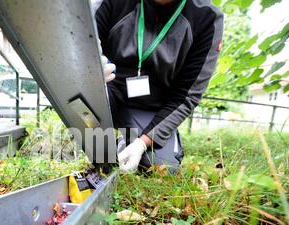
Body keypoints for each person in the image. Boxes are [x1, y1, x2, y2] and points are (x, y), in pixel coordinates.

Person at [93, 0, 224, 173]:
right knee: (103, 162)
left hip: (154, 108)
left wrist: (142, 144)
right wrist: (89, 70)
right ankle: (102, 155)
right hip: (108, 91)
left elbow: (187, 96)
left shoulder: (206, 17)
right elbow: (79, 40)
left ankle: (129, 143)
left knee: (162, 167)